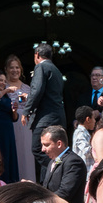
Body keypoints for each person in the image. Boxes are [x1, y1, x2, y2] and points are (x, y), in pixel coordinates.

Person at [27, 44, 67, 180]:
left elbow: (36, 91)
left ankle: (59, 169)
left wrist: (26, 111)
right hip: (57, 117)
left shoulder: (41, 67)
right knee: (51, 152)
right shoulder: (56, 70)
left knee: (38, 149)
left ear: (37, 55)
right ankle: (48, 183)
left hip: (45, 119)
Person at [39, 126, 87, 203]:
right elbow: (48, 189)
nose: (43, 149)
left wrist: (40, 199)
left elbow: (64, 193)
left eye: (46, 145)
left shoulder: (73, 162)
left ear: (59, 144)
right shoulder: (52, 161)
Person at [3, 54, 37, 182]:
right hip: (9, 124)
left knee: (26, 155)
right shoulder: (2, 86)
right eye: (11, 67)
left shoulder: (27, 88)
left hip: (24, 125)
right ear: (6, 69)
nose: (15, 70)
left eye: (17, 67)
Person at [72, 105, 96, 171]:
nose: (95, 121)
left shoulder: (85, 132)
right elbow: (86, 150)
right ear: (88, 119)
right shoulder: (80, 133)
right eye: (93, 118)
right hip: (84, 171)